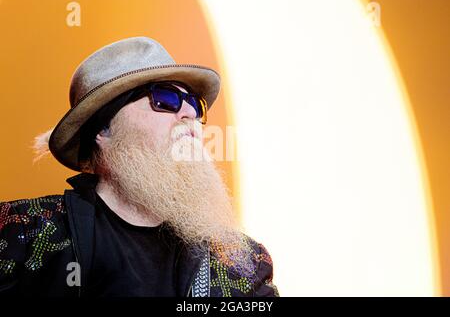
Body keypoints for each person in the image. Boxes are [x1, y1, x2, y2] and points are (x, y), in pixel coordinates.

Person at [0, 37, 279, 297]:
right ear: (104, 129)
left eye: (194, 103)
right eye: (166, 99)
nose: (189, 114)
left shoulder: (242, 265)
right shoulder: (21, 234)